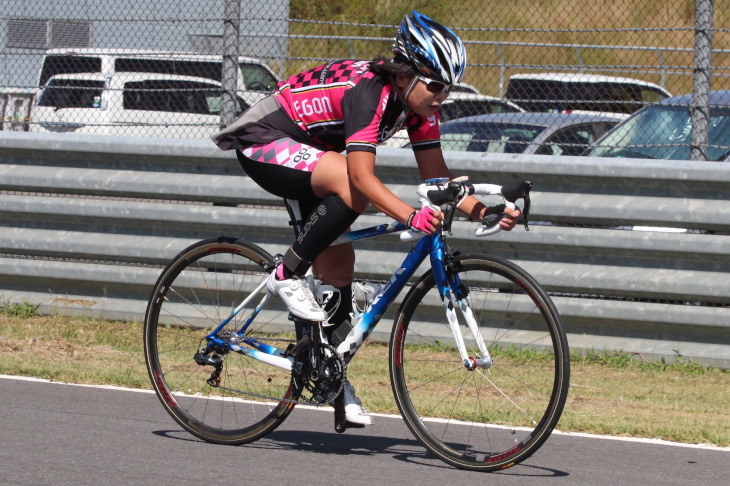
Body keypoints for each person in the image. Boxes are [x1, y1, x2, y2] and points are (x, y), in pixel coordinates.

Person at [212, 10, 520, 426]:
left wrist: (485, 210)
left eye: (447, 88)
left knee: (338, 266)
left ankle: (328, 376)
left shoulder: (419, 107)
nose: (440, 97)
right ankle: (285, 274)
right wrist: (411, 215)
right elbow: (360, 177)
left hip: (312, 156)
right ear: (405, 73)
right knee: (353, 186)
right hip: (266, 139)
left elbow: (436, 177)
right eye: (434, 85)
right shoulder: (371, 91)